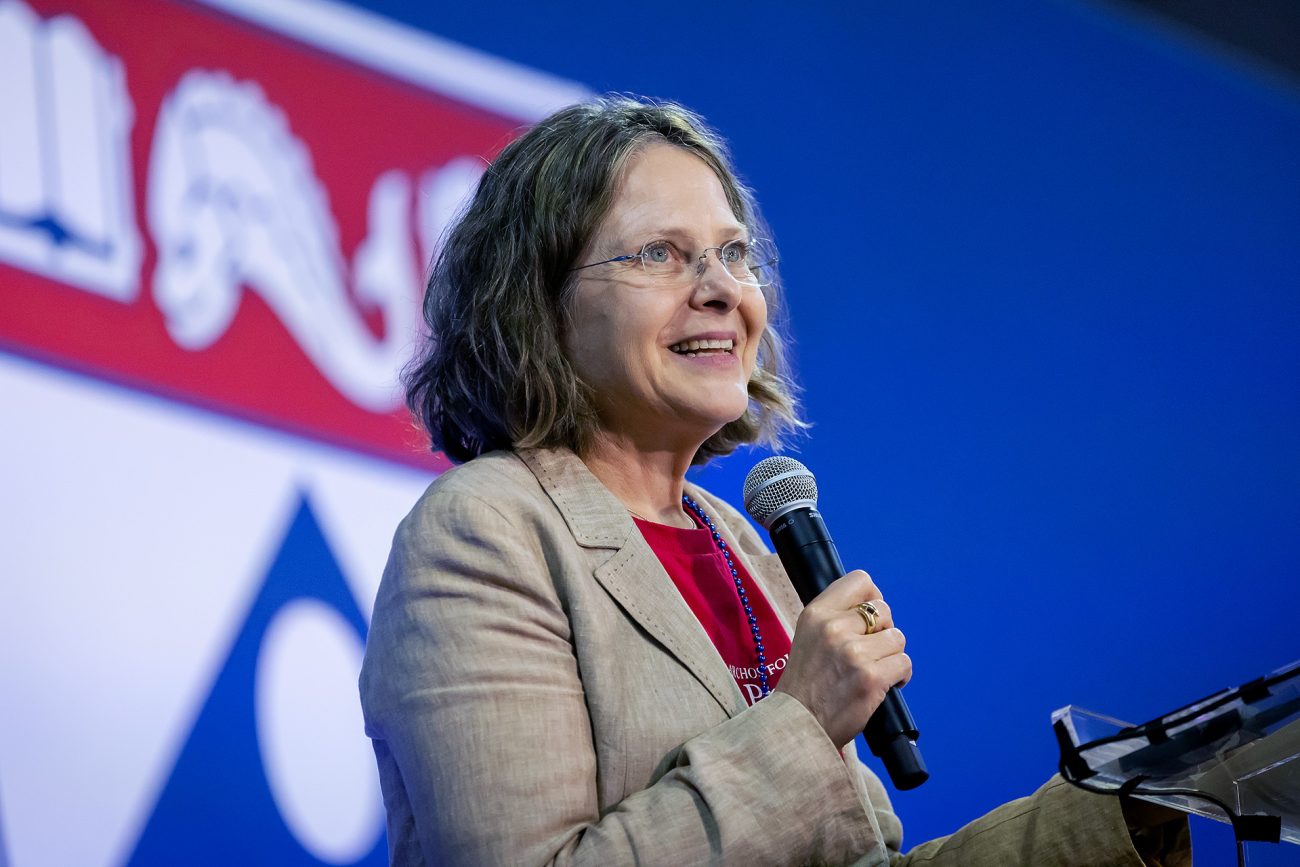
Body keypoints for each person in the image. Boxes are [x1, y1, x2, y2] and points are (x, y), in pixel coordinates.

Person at [359, 97, 1189, 866]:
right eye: (661, 253)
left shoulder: (742, 542)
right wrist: (802, 720)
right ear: (540, 304)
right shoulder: (484, 530)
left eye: (734, 254)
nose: (722, 289)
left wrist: (1122, 808)